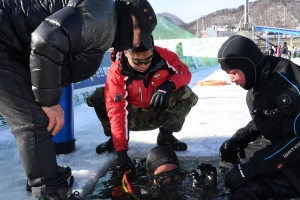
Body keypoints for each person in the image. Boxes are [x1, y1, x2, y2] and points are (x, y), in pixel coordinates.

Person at [0, 0, 157, 199]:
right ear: (133, 20)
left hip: (12, 47)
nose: (137, 43)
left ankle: (44, 173)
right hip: (4, 42)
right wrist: (50, 102)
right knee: (33, 121)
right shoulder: (102, 17)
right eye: (140, 36)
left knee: (36, 114)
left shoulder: (106, 23)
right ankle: (50, 191)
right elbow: (46, 40)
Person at [86, 41, 198, 172]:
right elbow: (117, 111)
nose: (143, 65)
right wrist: (121, 152)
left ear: (152, 51)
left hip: (157, 111)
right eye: (138, 62)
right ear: (126, 54)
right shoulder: (117, 72)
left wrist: (168, 86)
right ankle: (115, 141)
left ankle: (166, 137)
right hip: (131, 117)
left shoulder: (165, 56)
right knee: (99, 95)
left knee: (187, 94)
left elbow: (184, 73)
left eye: (148, 60)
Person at [217, 35, 300, 199]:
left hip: (295, 152)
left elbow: (297, 140)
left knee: (249, 190)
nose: (231, 79)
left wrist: (252, 169)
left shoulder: (288, 87)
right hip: (279, 142)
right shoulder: (258, 83)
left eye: (233, 73)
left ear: (247, 66)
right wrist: (239, 138)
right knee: (229, 161)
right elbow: (267, 117)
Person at [110, 146, 218, 199]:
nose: (171, 182)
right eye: (163, 177)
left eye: (175, 174)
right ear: (152, 178)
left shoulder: (187, 184)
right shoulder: (138, 192)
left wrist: (208, 192)